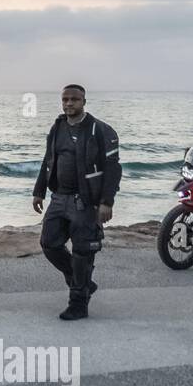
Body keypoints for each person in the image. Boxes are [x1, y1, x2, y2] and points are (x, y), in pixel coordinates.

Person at [31, 84, 121, 321]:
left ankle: (78, 304)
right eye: (65, 99)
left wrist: (107, 202)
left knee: (83, 253)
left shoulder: (99, 130)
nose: (69, 103)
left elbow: (113, 169)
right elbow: (48, 160)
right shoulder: (57, 127)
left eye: (74, 99)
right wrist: (39, 191)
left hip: (85, 202)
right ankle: (83, 282)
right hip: (58, 198)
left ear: (84, 102)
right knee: (49, 244)